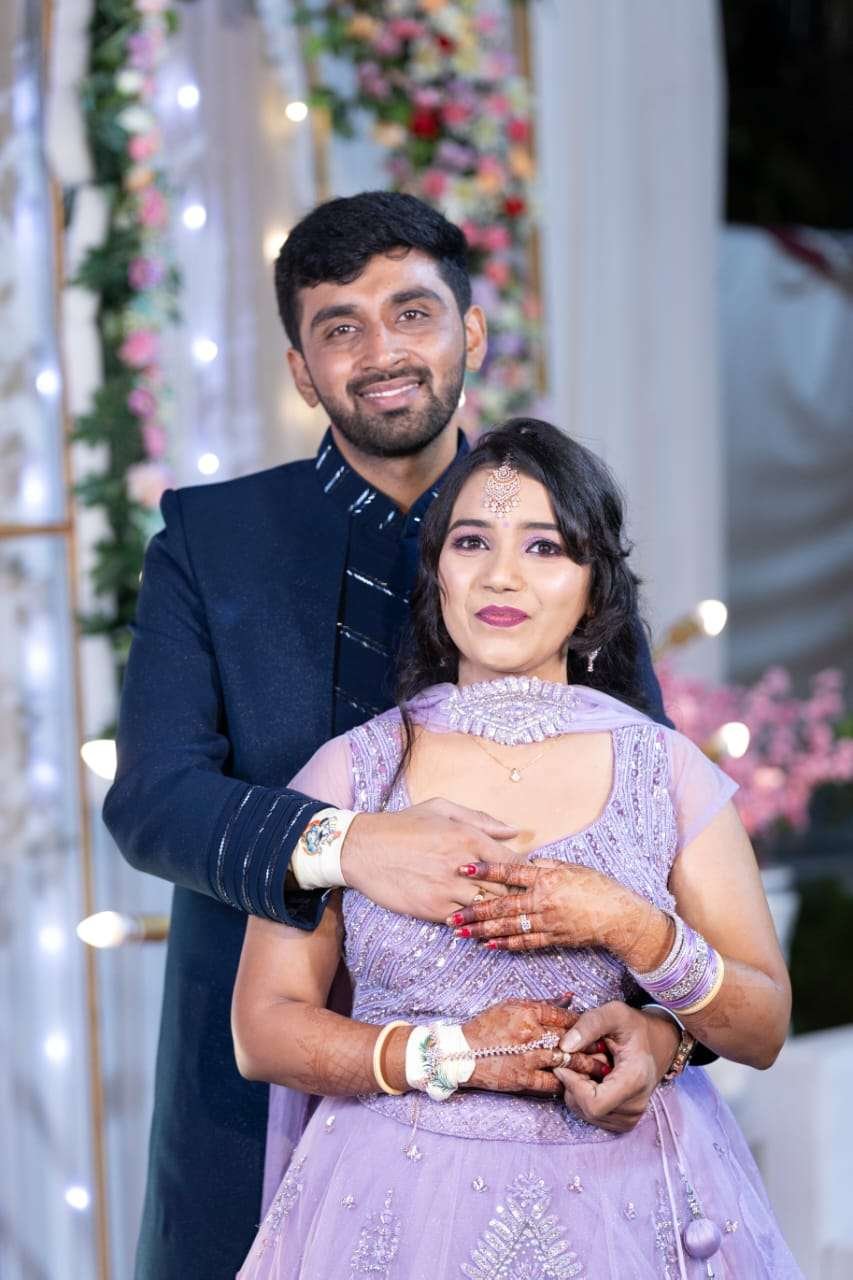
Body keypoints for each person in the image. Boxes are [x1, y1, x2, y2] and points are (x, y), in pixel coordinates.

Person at [105, 193, 704, 1279]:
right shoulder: (211, 539)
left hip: (547, 1107)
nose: (381, 352)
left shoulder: (553, 533)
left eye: (411, 313)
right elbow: (152, 799)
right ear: (302, 370)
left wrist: (667, 1035)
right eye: (341, 327)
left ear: (469, 331)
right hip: (258, 1075)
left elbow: (660, 824)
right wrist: (352, 845)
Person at [233, 418, 801, 1280]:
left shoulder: (665, 772)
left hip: (632, 1199)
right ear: (437, 573)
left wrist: (633, 937)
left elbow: (761, 1026)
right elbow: (263, 1029)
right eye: (471, 542)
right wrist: (453, 1053)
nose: (501, 575)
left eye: (544, 546)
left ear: (593, 585)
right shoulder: (355, 771)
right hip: (392, 1202)